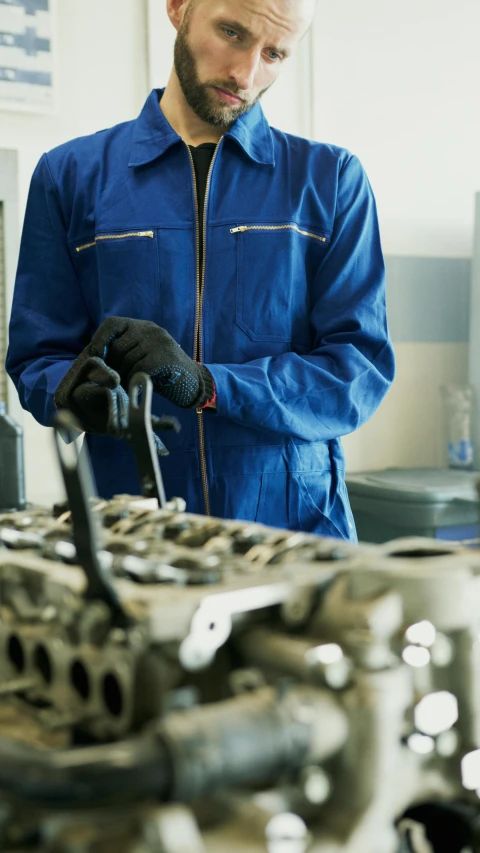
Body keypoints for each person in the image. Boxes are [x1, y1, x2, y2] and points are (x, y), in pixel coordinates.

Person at [6, 0, 395, 541]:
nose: (246, 73)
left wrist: (208, 384)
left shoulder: (330, 180)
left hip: (296, 531)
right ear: (178, 8)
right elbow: (36, 356)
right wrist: (71, 393)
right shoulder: (70, 175)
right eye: (232, 33)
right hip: (136, 530)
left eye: (274, 53)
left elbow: (357, 371)